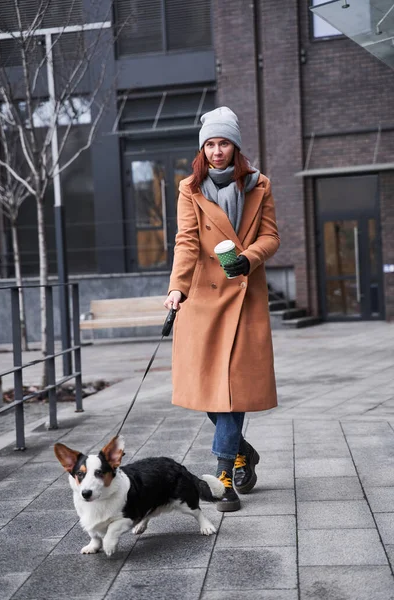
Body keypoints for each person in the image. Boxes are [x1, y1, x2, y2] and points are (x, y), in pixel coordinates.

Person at [164, 106, 280, 512]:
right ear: (203, 149)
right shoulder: (189, 189)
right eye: (210, 144)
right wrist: (177, 289)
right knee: (210, 392)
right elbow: (186, 241)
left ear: (235, 146)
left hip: (245, 298)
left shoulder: (259, 185)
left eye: (223, 143)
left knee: (234, 392)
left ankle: (224, 476)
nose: (217, 151)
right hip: (203, 300)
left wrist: (247, 258)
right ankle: (244, 451)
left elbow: (271, 236)